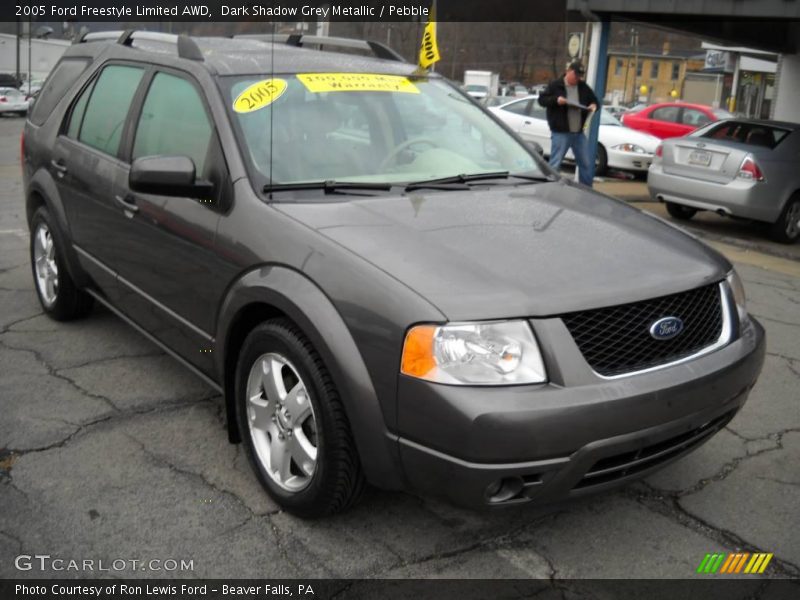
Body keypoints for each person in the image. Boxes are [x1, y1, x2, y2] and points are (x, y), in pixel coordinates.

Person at [538, 61, 599, 186]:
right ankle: (550, 187)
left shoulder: (583, 87)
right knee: (555, 162)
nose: (577, 78)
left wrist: (594, 105)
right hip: (561, 132)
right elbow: (542, 100)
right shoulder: (556, 85)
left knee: (586, 163)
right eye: (575, 75)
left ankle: (587, 190)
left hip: (578, 133)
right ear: (568, 71)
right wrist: (556, 100)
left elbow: (595, 101)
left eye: (580, 76)